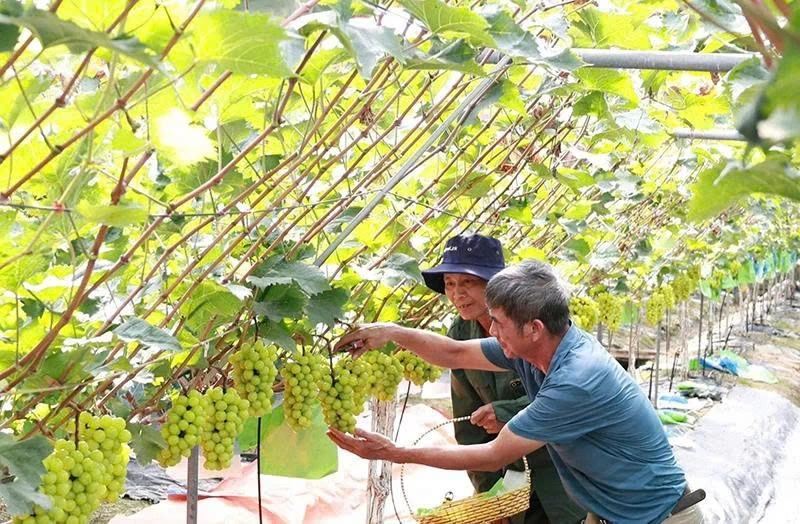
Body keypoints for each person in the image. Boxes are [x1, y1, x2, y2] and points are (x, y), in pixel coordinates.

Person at [331, 260, 703, 524]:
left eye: (498, 322)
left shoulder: (575, 379)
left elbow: (494, 455)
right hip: (612, 512)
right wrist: (391, 332)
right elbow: (455, 352)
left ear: (534, 327)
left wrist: (395, 453)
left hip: (658, 517)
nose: (491, 330)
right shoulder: (535, 350)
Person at [421, 234, 584, 524]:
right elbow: (469, 428)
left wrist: (506, 412)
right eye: (449, 283)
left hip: (563, 471)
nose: (457, 294)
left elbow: (569, 394)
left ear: (495, 285)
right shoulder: (460, 333)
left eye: (468, 282)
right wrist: (489, 499)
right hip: (515, 479)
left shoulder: (537, 323)